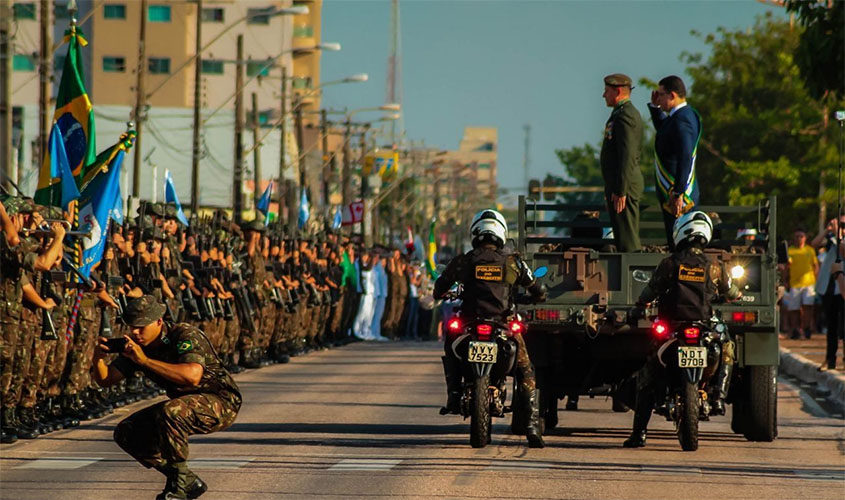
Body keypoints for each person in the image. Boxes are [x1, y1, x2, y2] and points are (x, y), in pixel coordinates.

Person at [92, 295, 241, 500]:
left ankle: (178, 488)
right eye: (132, 327)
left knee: (171, 412)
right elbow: (106, 379)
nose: (135, 332)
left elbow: (192, 377)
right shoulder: (137, 346)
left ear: (159, 322)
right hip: (183, 405)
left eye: (141, 327)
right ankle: (186, 479)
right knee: (127, 432)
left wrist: (144, 361)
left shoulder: (184, 335)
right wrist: (98, 357)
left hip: (219, 401)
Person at [624, 211, 740, 448]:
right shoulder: (714, 266)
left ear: (681, 233)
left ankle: (639, 434)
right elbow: (732, 293)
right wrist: (737, 296)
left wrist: (637, 309)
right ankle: (719, 395)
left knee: (647, 378)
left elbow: (649, 293)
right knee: (727, 346)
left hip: (672, 330)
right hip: (704, 327)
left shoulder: (669, 263)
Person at [433, 209, 548, 448]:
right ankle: (532, 424)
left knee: (449, 346)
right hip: (503, 325)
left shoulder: (464, 260)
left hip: (468, 326)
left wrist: (445, 292)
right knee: (525, 369)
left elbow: (439, 287)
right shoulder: (513, 262)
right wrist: (536, 295)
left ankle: (454, 394)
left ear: (475, 233)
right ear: (502, 233)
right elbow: (538, 289)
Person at [647, 75, 702, 249]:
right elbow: (665, 132)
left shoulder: (682, 118)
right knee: (674, 240)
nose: (659, 98)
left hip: (677, 193)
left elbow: (685, 156)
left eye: (661, 95)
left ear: (672, 95)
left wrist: (679, 192)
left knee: (681, 242)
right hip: (672, 190)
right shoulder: (677, 116)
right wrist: (655, 108)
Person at [600, 73, 644, 252]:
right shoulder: (620, 113)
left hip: (624, 186)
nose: (604, 95)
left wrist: (621, 190)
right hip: (619, 185)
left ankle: (633, 276)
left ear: (617, 91)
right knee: (622, 237)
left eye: (607, 91)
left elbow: (627, 155)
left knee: (628, 239)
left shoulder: (626, 116)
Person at [812, 218, 844, 370]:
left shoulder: (840, 240)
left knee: (843, 327)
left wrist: (838, 231)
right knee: (831, 326)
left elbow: (841, 248)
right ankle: (830, 360)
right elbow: (814, 244)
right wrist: (827, 230)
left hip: (842, 288)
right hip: (829, 287)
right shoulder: (831, 238)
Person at [784, 228, 819, 339]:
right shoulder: (790, 251)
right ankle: (795, 329)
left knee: (807, 307)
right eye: (797, 236)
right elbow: (786, 267)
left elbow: (815, 266)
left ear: (805, 238)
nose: (799, 238)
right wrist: (785, 280)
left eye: (801, 236)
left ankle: (807, 328)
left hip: (809, 283)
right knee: (794, 309)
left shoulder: (810, 250)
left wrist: (817, 280)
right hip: (795, 283)